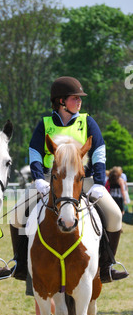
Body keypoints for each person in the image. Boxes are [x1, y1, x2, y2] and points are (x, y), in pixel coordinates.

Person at [11, 76, 128, 284]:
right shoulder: (45, 124)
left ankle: (107, 266)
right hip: (50, 179)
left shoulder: (87, 122)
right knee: (17, 215)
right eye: (75, 98)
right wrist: (39, 179)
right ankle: (20, 264)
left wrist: (100, 183)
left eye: (79, 98)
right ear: (61, 101)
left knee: (115, 216)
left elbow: (99, 151)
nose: (79, 102)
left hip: (84, 179)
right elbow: (35, 153)